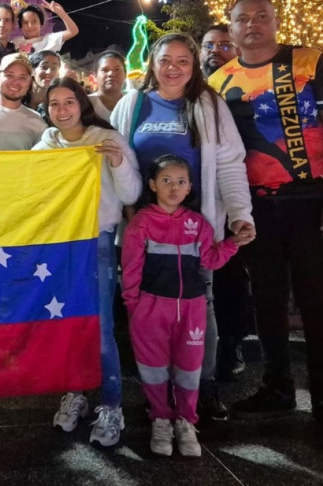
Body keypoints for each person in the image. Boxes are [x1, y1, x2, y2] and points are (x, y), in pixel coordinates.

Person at [209, 0, 323, 446]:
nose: (252, 24)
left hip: (311, 200)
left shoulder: (310, 62)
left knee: (318, 306)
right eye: (242, 19)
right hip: (257, 209)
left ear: (276, 20)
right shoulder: (218, 81)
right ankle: (278, 388)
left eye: (262, 16)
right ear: (230, 29)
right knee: (267, 303)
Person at [110, 32, 255, 422]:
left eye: (183, 61)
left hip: (195, 233)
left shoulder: (208, 105)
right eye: (165, 60)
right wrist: (122, 212)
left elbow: (228, 164)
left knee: (199, 308)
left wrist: (241, 213)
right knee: (148, 314)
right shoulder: (132, 104)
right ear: (152, 64)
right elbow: (115, 164)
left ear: (193, 67)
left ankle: (201, 385)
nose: (173, 68)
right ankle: (156, 389)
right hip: (145, 232)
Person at [33, 78, 141, 447]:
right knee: (67, 323)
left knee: (101, 327)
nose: (62, 111)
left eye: (69, 102)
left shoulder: (104, 138)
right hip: (59, 246)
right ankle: (76, 393)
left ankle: (112, 406)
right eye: (54, 104)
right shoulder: (46, 143)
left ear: (82, 103)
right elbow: (27, 184)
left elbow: (131, 192)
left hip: (97, 243)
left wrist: (117, 161)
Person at [122, 154, 245, 458]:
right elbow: (131, 269)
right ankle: (161, 419)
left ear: (190, 187)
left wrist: (233, 243)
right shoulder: (141, 223)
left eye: (180, 182)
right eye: (166, 181)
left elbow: (209, 261)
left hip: (192, 310)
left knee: (190, 369)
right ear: (153, 185)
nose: (174, 188)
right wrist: (134, 308)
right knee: (153, 370)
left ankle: (186, 421)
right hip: (150, 310)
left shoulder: (198, 224)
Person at [199, 24, 250, 381]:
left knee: (231, 278)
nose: (215, 50)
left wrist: (238, 210)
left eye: (223, 44)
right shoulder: (193, 92)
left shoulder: (247, 85)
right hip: (202, 203)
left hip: (242, 193)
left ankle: (231, 343)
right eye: (208, 45)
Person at [11, 1, 79, 54]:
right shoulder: (15, 42)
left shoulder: (50, 39)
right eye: (25, 22)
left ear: (40, 24)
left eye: (34, 21)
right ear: (21, 26)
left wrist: (61, 13)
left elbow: (73, 31)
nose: (30, 26)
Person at [89, 51, 127, 122]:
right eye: (105, 70)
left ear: (125, 74)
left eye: (117, 69)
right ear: (95, 76)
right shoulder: (86, 104)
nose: (111, 74)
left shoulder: (134, 101)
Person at [25, 50, 62, 117]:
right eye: (44, 67)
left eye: (54, 68)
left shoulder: (58, 105)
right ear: (32, 70)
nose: (49, 72)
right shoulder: (17, 99)